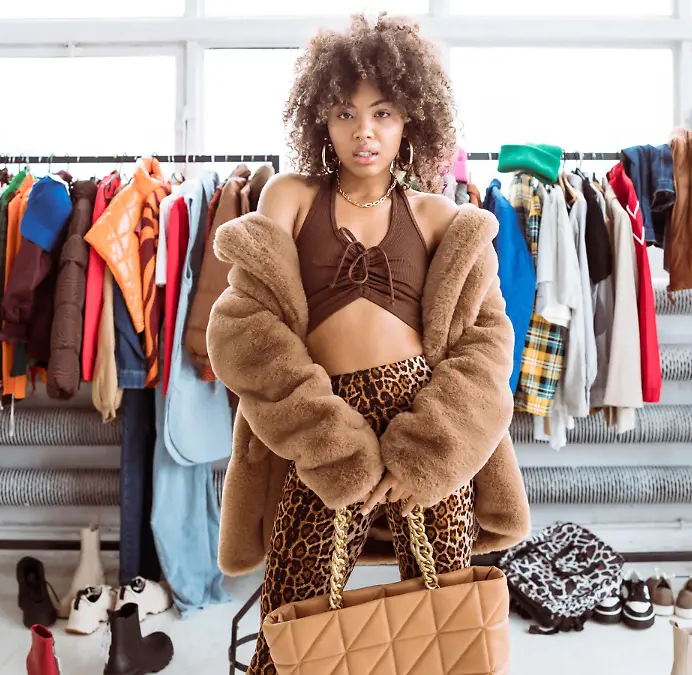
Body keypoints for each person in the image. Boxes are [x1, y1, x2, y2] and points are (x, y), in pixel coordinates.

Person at [206, 13, 531, 674]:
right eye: (345, 113)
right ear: (319, 121)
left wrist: (427, 452)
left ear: (411, 119)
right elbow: (246, 326)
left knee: (445, 616)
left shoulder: (441, 217)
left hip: (426, 420)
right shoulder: (291, 197)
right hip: (323, 422)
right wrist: (335, 443)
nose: (364, 132)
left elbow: (487, 347)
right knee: (293, 605)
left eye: (382, 113)